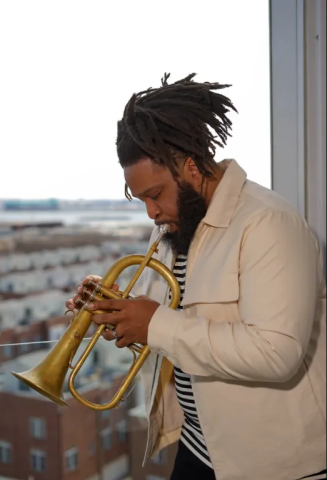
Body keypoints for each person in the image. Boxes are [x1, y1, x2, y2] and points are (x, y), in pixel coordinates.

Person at [66, 74, 326, 480]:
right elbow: (165, 310)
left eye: (154, 194)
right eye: (142, 200)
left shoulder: (268, 223)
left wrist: (155, 324)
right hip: (199, 446)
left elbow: (277, 353)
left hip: (271, 465)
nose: (150, 213)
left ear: (191, 165)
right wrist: (110, 305)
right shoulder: (178, 222)